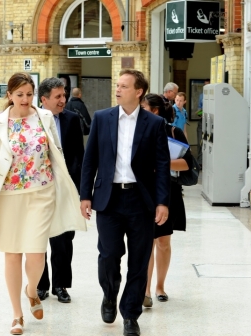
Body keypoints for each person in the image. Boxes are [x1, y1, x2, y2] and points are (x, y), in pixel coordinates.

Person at [0, 72, 86, 335]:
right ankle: (17, 315)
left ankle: (32, 291)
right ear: (9, 96)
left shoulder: (45, 117)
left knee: (37, 252)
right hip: (9, 195)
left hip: (42, 191)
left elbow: (56, 152)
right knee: (13, 254)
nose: (25, 99)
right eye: (19, 95)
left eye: (29, 94)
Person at [80, 70, 170, 336]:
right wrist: (85, 195)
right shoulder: (102, 118)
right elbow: (90, 160)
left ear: (138, 91)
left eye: (124, 86)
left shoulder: (154, 124)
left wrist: (162, 201)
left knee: (139, 261)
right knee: (109, 255)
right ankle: (109, 294)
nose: (117, 90)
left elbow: (162, 166)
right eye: (117, 85)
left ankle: (131, 314)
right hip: (108, 198)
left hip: (141, 200)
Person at [141, 93, 193, 308]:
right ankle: (145, 290)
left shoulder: (174, 131)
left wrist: (162, 163)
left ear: (154, 111)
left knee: (163, 242)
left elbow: (187, 163)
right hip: (144, 192)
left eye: (142, 107)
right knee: (148, 241)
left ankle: (160, 286)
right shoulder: (138, 132)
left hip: (169, 191)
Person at [36, 78, 84, 304]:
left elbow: (79, 155)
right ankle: (41, 284)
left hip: (66, 187)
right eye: (58, 97)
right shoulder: (33, 121)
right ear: (44, 99)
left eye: (64, 95)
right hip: (39, 189)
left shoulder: (72, 119)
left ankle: (60, 285)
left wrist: (78, 187)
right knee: (38, 238)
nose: (63, 100)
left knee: (64, 238)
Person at [196, 79, 210, 168]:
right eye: (204, 85)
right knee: (200, 142)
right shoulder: (202, 96)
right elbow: (199, 107)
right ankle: (199, 162)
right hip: (202, 119)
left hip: (211, 121)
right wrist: (199, 113)